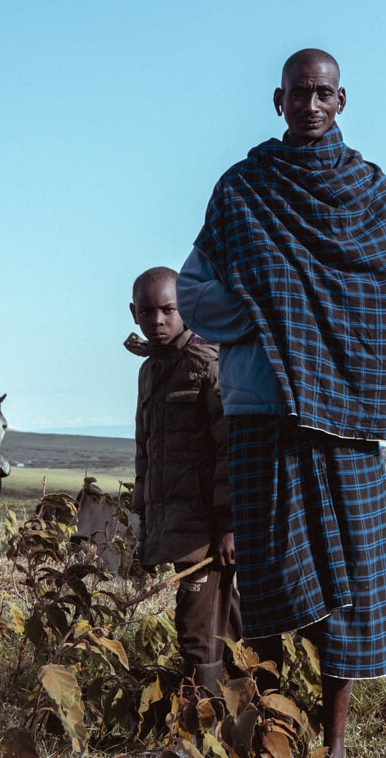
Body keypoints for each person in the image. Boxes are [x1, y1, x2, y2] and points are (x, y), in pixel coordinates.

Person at [176, 49, 386, 757]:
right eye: (297, 94)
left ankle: (338, 742)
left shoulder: (373, 192)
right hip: (262, 409)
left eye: (322, 94)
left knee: (353, 578)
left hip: (345, 417)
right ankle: (268, 732)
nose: (310, 106)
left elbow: (384, 300)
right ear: (276, 99)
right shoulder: (243, 189)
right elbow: (193, 293)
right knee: (265, 576)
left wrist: (310, 324)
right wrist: (271, 313)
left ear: (341, 99)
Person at [125, 265, 242, 693]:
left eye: (168, 310)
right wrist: (145, 523)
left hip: (208, 530)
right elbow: (147, 453)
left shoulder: (204, 364)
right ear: (134, 313)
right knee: (223, 624)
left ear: (186, 309)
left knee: (196, 631)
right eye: (148, 312)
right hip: (173, 524)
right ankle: (250, 718)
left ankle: (201, 735)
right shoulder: (150, 371)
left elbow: (230, 448)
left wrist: (230, 523)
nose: (157, 321)